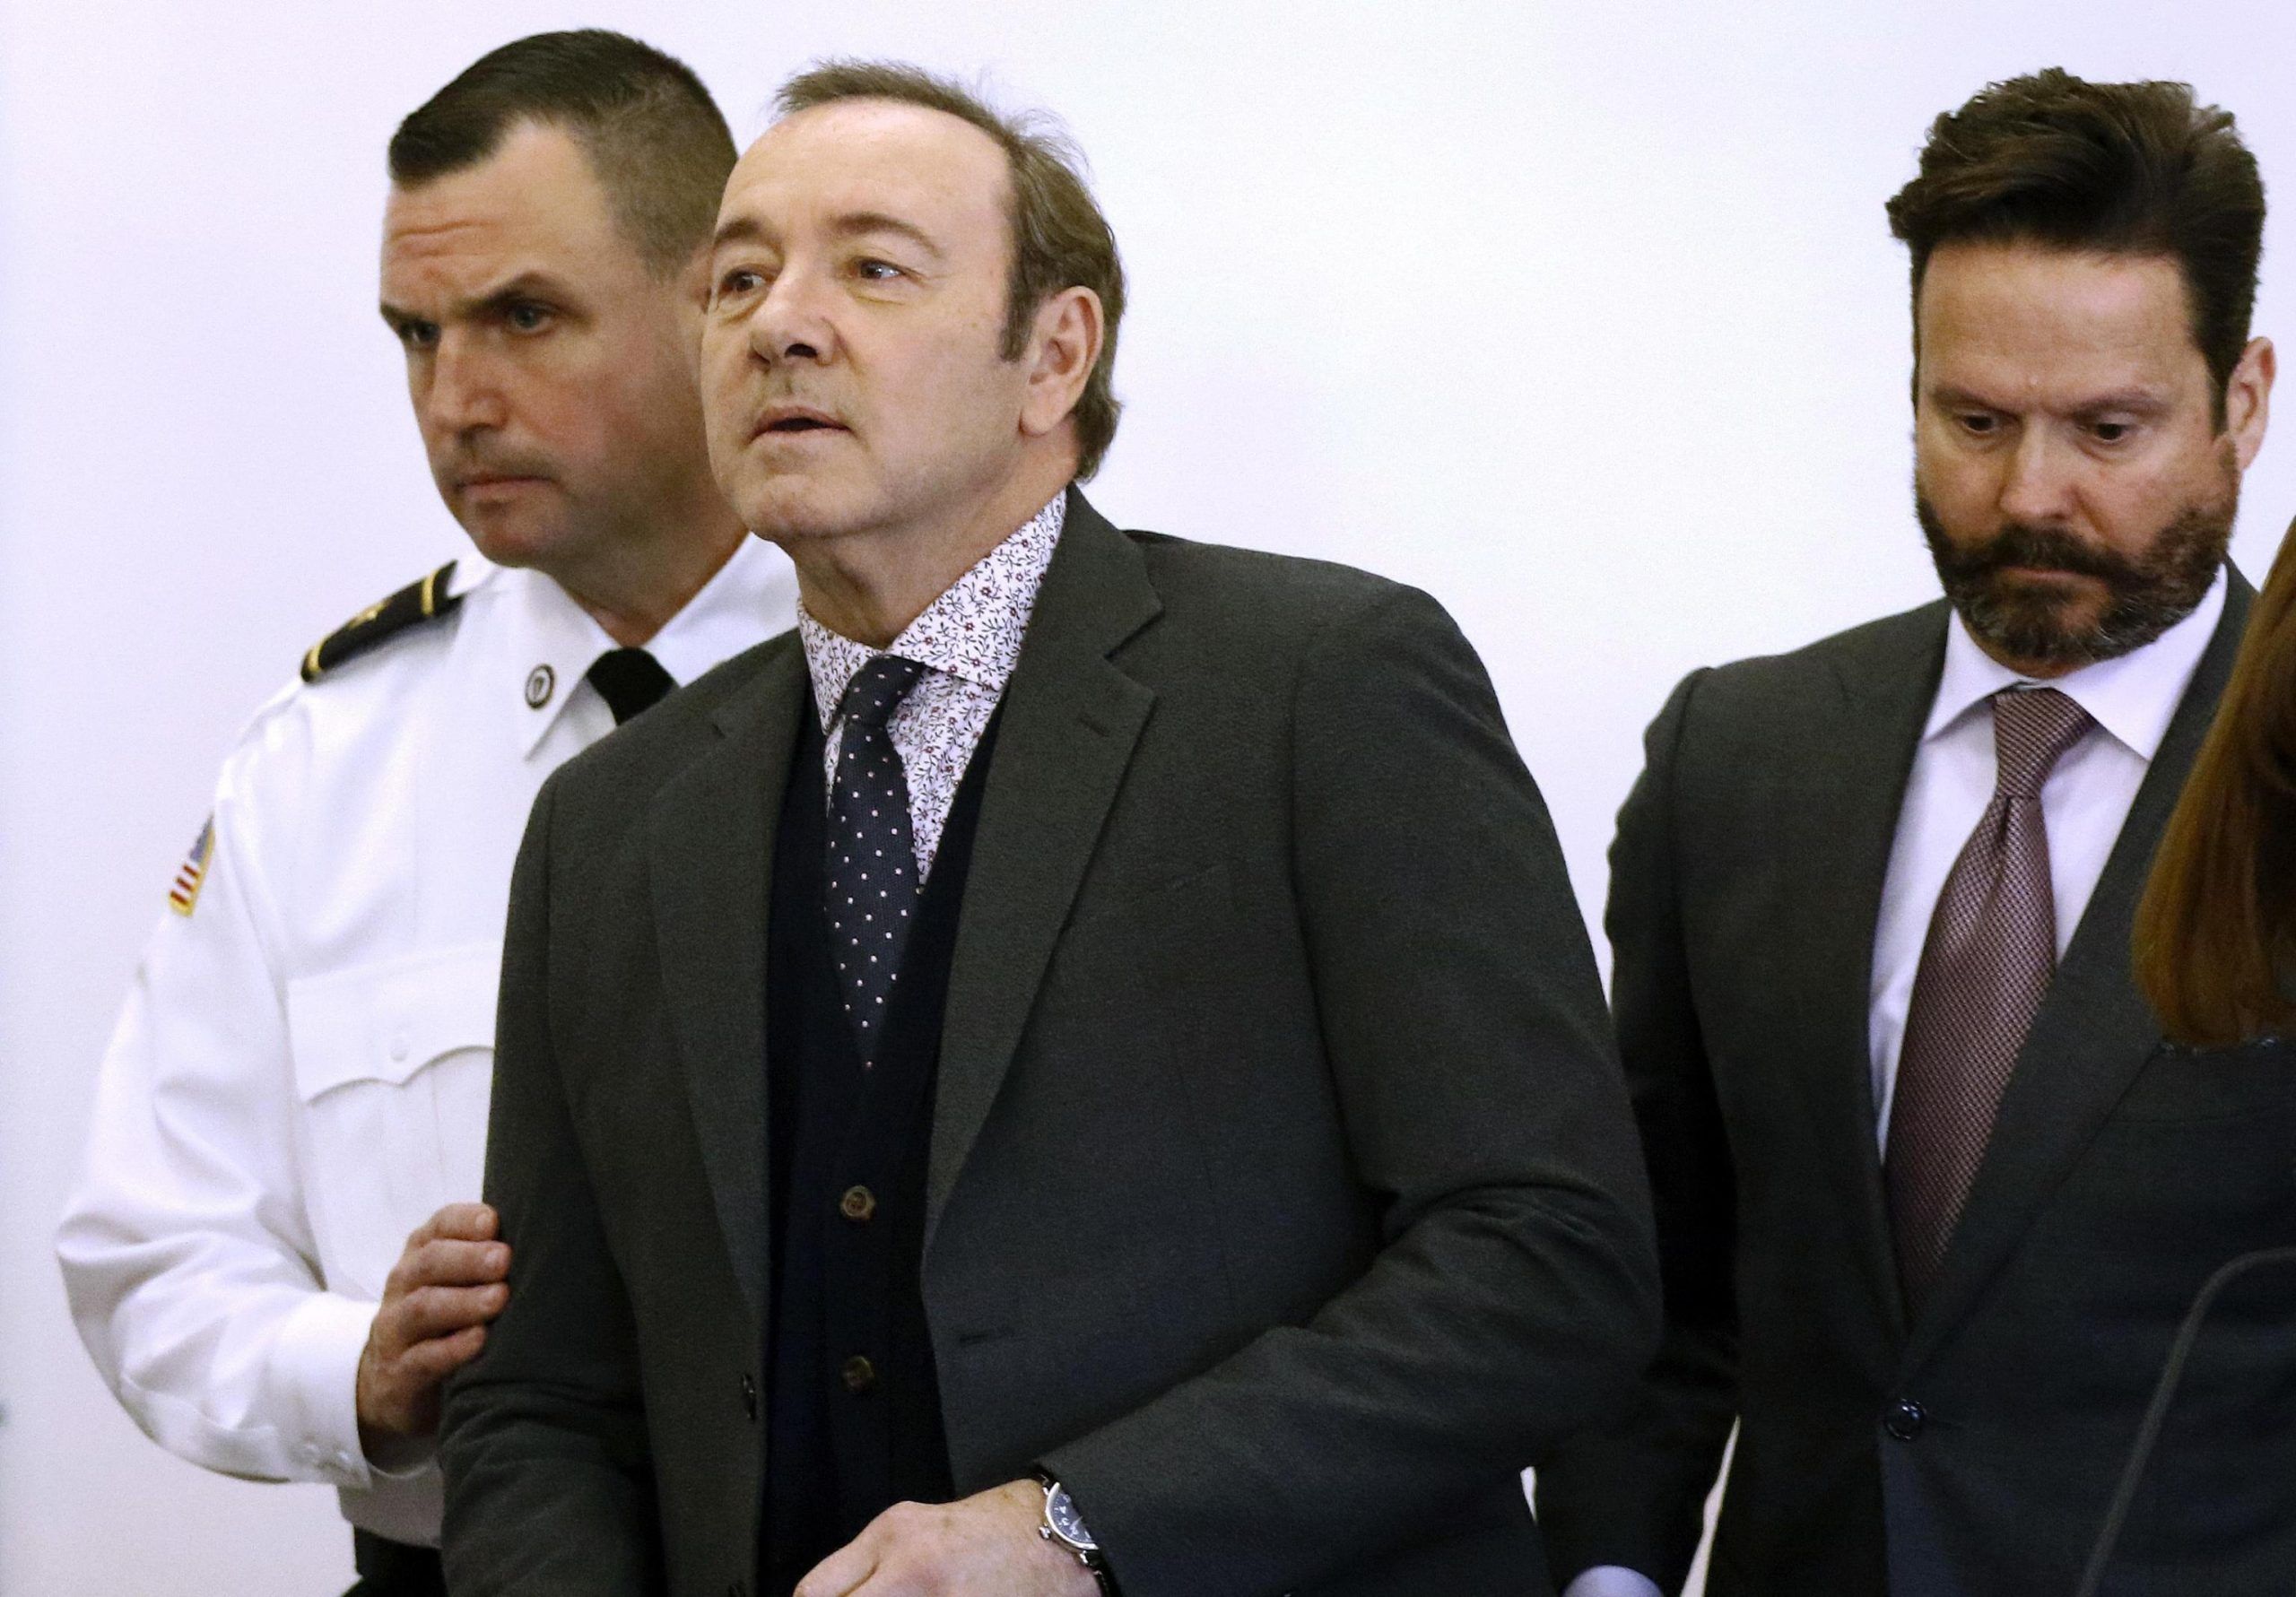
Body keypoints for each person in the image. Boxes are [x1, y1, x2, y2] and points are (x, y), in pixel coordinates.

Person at [439, 59, 1658, 1597]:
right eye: (737, 278)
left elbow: (1548, 1254)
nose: (780, 322)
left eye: (874, 268)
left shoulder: (1322, 688)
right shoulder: (609, 821)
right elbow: (542, 1401)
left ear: (1054, 355)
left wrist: (1087, 1525)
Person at [1535, 69, 2294, 1595]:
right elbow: (1657, 1265)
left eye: (2108, 429)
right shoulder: (1736, 756)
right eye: (1975, 420)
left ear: (2244, 402)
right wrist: (1611, 1571)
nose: (2031, 494)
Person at [57, 30, 796, 1596]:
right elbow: (150, 1249)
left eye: (525, 316)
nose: (456, 400)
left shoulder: (916, 676)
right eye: (415, 334)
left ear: (716, 297)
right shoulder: (331, 758)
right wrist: (358, 1369)